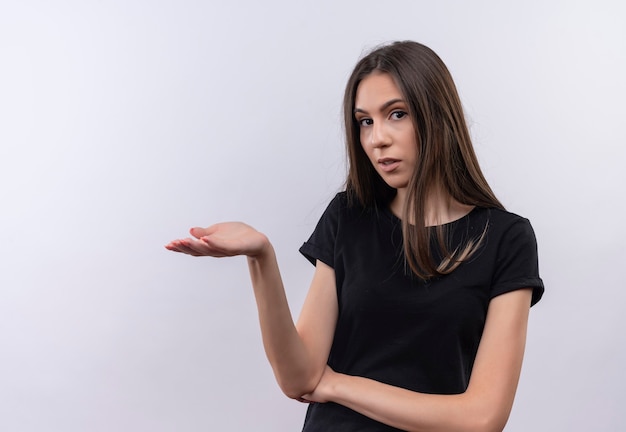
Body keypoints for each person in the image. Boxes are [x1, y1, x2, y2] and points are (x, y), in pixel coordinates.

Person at [165, 40, 544, 432]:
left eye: (396, 114)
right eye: (365, 121)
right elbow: (299, 378)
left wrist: (338, 385)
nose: (377, 138)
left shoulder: (506, 238)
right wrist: (261, 256)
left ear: (437, 116)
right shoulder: (349, 217)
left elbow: (482, 418)